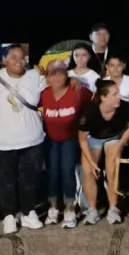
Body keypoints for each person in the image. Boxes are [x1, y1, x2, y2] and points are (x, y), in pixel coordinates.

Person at [0, 45, 46, 235]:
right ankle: (9, 215)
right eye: (13, 58)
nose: (19, 61)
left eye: (22, 58)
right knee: (7, 180)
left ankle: (29, 212)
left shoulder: (34, 76)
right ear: (4, 60)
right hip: (1, 141)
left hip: (32, 140)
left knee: (30, 178)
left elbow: (53, 89)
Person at [77, 80, 129, 225]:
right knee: (87, 170)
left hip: (114, 137)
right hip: (93, 138)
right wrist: (92, 162)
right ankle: (92, 209)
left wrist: (120, 144)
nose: (119, 96)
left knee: (112, 169)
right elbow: (82, 139)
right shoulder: (90, 111)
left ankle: (113, 208)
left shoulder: (125, 108)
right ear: (103, 97)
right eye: (114, 94)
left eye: (118, 92)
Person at [41, 60, 92, 229]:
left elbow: (96, 100)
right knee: (52, 173)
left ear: (67, 75)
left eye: (61, 73)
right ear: (47, 77)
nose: (57, 77)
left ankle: (69, 209)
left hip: (70, 139)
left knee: (67, 172)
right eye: (52, 73)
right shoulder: (43, 94)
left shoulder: (78, 91)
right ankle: (53, 209)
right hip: (50, 140)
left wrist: (86, 124)